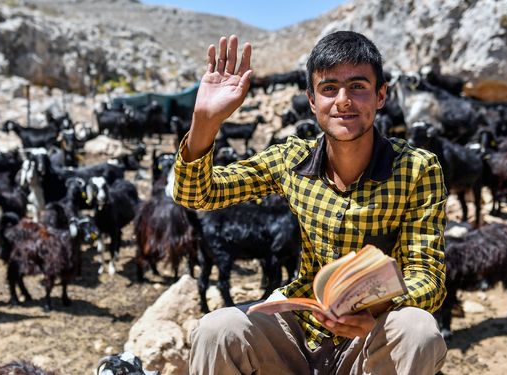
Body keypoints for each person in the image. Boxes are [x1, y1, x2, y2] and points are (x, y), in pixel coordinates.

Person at [173, 31, 448, 375]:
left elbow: (428, 276)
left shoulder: (417, 168)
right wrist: (205, 122)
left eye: (358, 87)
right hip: (301, 330)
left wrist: (378, 311)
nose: (343, 101)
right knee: (217, 330)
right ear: (312, 100)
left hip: (369, 339)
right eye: (329, 88)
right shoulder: (292, 159)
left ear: (381, 95)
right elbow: (195, 194)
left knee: (417, 330)